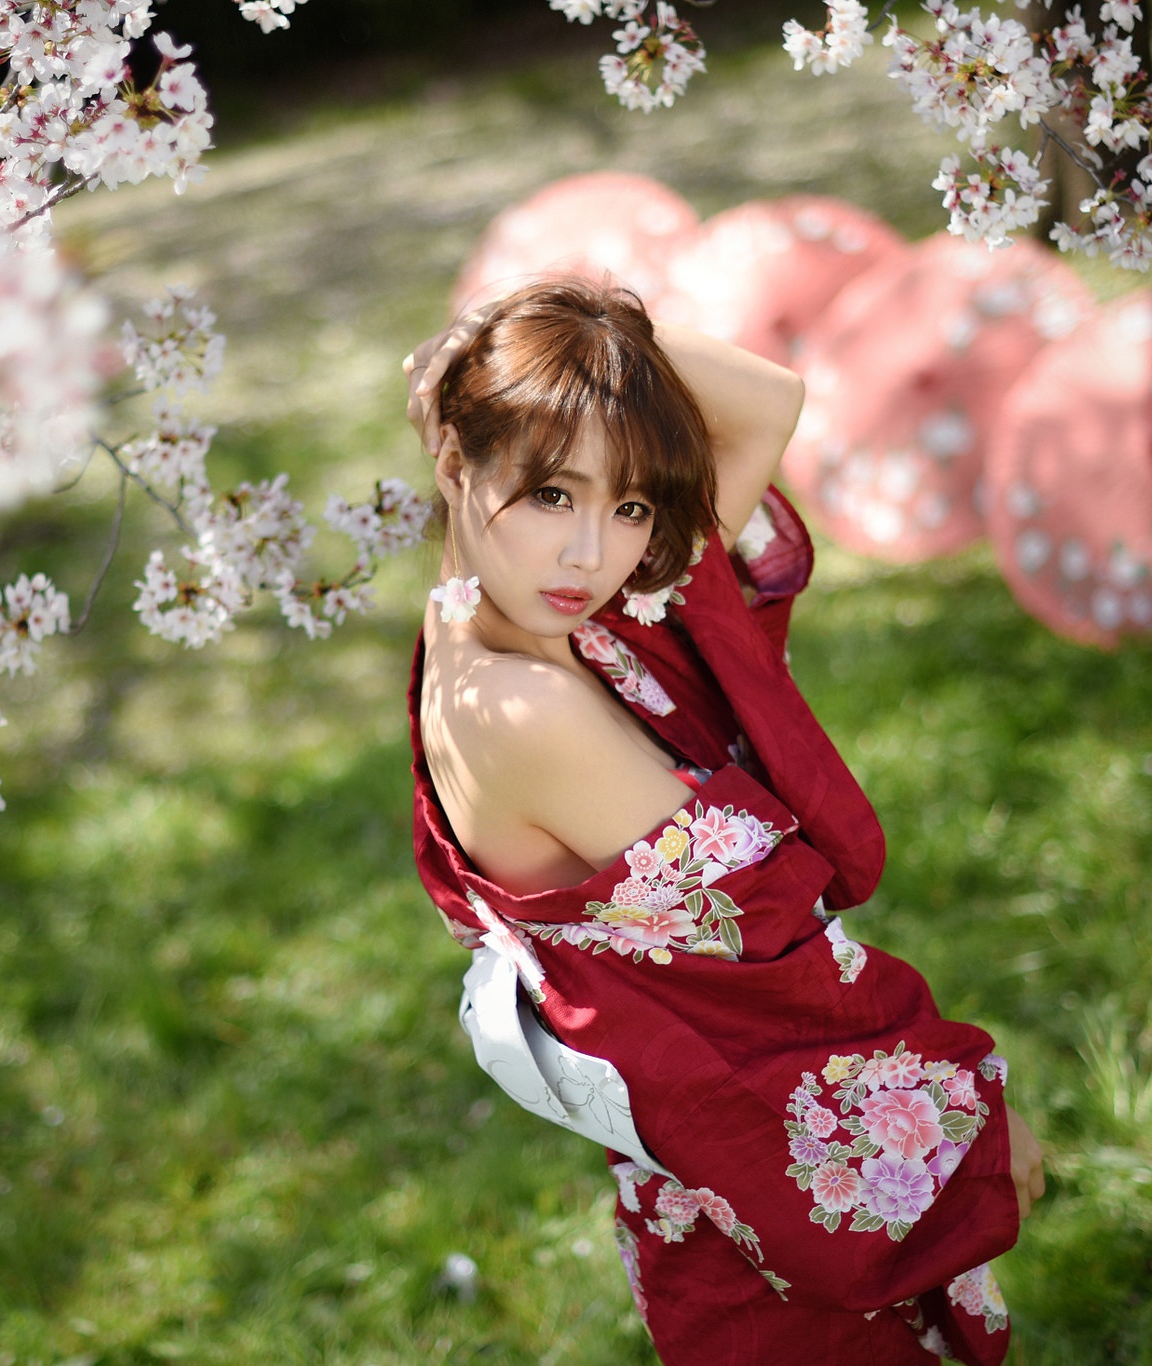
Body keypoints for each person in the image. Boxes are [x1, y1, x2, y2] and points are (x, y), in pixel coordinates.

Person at [401, 278, 1045, 1365]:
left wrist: (556, 336)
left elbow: (765, 401)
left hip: (709, 1174)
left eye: (631, 504)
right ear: (457, 463)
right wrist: (965, 1129)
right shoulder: (524, 705)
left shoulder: (529, 623)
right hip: (755, 1171)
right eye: (550, 493)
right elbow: (769, 952)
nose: (588, 554)